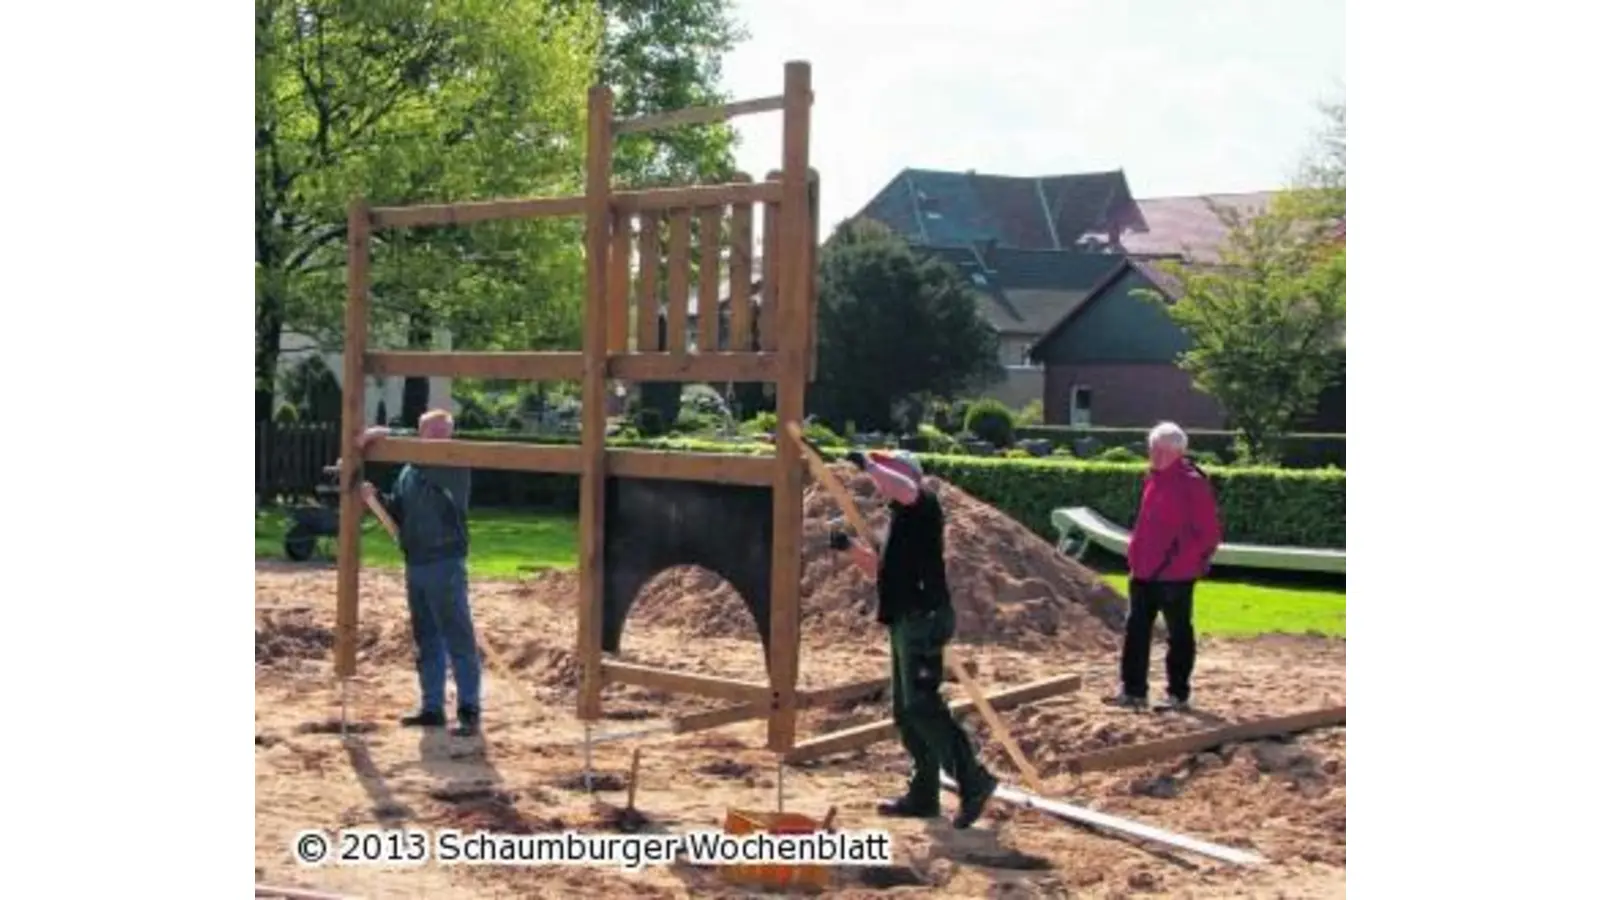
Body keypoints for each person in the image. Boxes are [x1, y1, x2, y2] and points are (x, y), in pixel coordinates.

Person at [828, 448, 998, 829]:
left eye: (889, 473)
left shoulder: (923, 505)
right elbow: (880, 571)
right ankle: (923, 794)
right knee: (906, 712)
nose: (881, 481)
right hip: (904, 620)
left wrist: (870, 465)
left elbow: (906, 488)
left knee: (923, 704)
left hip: (924, 618)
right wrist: (850, 548)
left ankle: (973, 779)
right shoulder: (897, 520)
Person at [355, 409, 483, 738]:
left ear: (449, 435)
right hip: (416, 563)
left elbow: (424, 454)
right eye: (428, 432)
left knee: (458, 638)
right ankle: (432, 708)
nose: (434, 439)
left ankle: (469, 710)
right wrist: (375, 498)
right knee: (426, 638)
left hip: (446, 562)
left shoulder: (455, 464)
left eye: (440, 432)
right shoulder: (408, 471)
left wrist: (384, 435)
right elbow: (398, 513)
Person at [1106, 421, 1223, 712]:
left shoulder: (1192, 483)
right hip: (1143, 570)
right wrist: (1135, 556)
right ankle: (1133, 691)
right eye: (1153, 450)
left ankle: (1178, 694)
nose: (1155, 456)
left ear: (1178, 453)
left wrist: (1181, 561)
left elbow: (1208, 533)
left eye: (1162, 451)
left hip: (1175, 575)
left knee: (1178, 633)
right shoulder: (1153, 479)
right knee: (1136, 630)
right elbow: (1145, 524)